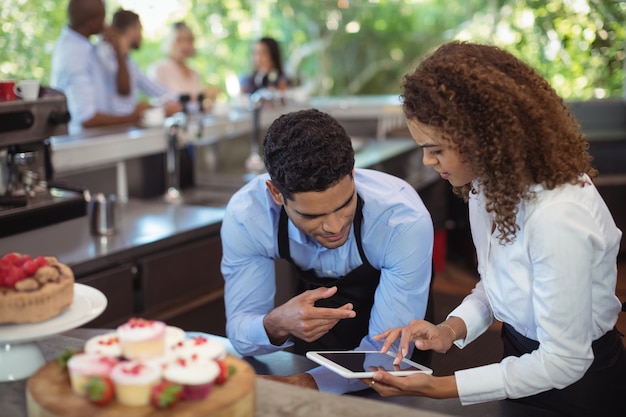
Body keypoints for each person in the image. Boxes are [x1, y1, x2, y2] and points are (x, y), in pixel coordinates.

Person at [367, 41, 626, 417]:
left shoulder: (557, 216)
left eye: (436, 149)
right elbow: (501, 283)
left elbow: (565, 362)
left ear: (483, 138)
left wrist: (439, 388)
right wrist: (450, 330)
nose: (427, 160)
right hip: (518, 359)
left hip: (580, 387)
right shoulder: (488, 186)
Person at [221, 108, 434, 394]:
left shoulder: (402, 221)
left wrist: (306, 384)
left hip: (395, 344)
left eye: (345, 205)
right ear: (276, 194)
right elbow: (240, 332)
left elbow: (389, 354)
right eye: (312, 216)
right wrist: (277, 324)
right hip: (319, 338)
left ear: (353, 173)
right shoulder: (248, 217)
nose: (334, 226)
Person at [50, 0, 147, 130]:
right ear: (91, 23)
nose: (106, 24)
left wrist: (118, 50)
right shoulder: (74, 56)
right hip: (84, 144)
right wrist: (132, 117)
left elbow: (124, 90)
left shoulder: (88, 47)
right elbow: (87, 119)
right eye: (103, 18)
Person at [96, 9, 180, 117]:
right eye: (140, 30)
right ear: (131, 31)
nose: (142, 36)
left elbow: (154, 88)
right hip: (112, 126)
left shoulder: (130, 64)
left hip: (126, 125)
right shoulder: (104, 56)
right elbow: (119, 99)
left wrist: (185, 99)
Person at [149, 21, 220, 110]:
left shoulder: (194, 72)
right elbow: (161, 104)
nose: (185, 46)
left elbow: (196, 107)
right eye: (179, 40)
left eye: (189, 40)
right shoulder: (159, 70)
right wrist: (200, 95)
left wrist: (209, 101)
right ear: (170, 42)